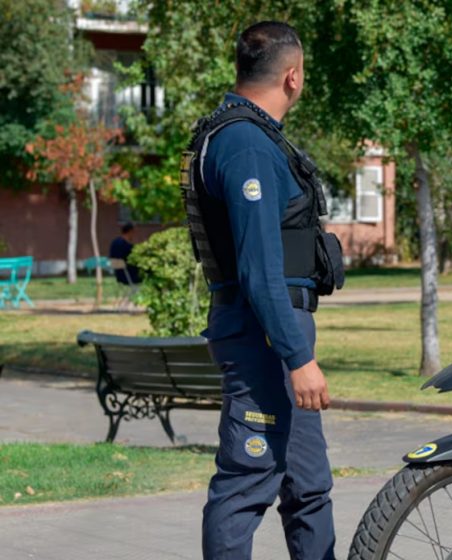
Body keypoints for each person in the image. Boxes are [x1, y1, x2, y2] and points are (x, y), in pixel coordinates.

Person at [181, 21, 343, 560]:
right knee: (248, 482)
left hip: (276, 328)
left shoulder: (249, 135)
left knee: (309, 487)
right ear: (292, 75)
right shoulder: (245, 145)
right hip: (264, 336)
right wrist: (298, 358)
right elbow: (257, 269)